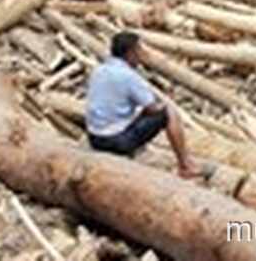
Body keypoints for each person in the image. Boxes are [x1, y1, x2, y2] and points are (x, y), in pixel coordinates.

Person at [85, 31, 201, 178]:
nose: (142, 54)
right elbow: (152, 107)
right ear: (130, 53)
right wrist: (164, 104)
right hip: (115, 141)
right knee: (169, 113)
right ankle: (185, 165)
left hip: (94, 137)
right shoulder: (129, 76)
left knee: (139, 112)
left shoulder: (98, 70)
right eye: (139, 50)